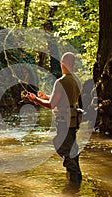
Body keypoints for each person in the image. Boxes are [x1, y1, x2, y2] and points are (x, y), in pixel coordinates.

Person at [27, 52, 82, 186]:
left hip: (64, 121)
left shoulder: (61, 81)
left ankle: (74, 182)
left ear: (62, 63)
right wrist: (45, 96)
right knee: (71, 148)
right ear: (73, 64)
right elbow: (62, 98)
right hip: (74, 120)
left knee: (62, 146)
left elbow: (52, 104)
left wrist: (36, 100)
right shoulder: (76, 80)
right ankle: (76, 180)